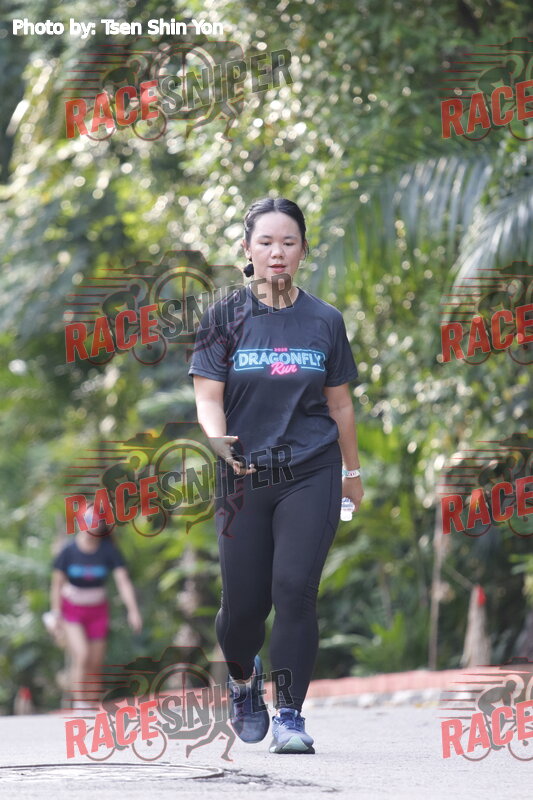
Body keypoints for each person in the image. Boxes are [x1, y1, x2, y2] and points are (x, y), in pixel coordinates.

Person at [188, 197, 363, 754]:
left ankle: (290, 715)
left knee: (294, 590)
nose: (277, 252)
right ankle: (243, 681)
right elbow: (207, 396)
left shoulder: (325, 320)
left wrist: (353, 471)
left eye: (289, 242)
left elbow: (340, 405)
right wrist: (216, 438)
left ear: (304, 249)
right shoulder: (223, 317)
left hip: (311, 468)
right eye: (266, 242)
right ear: (248, 249)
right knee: (244, 609)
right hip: (242, 474)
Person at [47, 505, 142, 709]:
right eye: (87, 521)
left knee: (96, 661)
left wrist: (133, 611)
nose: (91, 526)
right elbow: (56, 584)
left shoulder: (108, 550)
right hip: (72, 610)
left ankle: (91, 704)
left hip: (98, 610)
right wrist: (55, 614)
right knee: (82, 654)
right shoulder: (68, 551)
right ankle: (79, 703)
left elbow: (123, 581)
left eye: (95, 522)